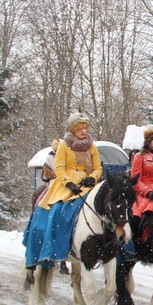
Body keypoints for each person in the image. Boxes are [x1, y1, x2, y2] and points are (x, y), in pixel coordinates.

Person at [24, 112, 102, 269]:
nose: (83, 131)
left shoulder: (92, 147)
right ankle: (52, 248)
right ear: (73, 129)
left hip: (87, 185)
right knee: (57, 210)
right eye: (80, 128)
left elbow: (98, 168)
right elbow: (59, 168)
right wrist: (69, 184)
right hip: (65, 186)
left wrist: (92, 178)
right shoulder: (63, 146)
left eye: (85, 128)